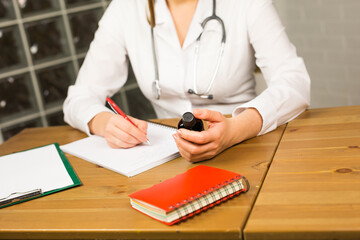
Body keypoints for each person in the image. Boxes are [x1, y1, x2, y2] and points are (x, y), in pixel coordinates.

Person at [63, 0, 310, 163]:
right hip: (163, 158)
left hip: (246, 148)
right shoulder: (125, 8)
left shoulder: (246, 4)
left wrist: (235, 129)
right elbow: (79, 97)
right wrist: (105, 123)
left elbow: (294, 82)